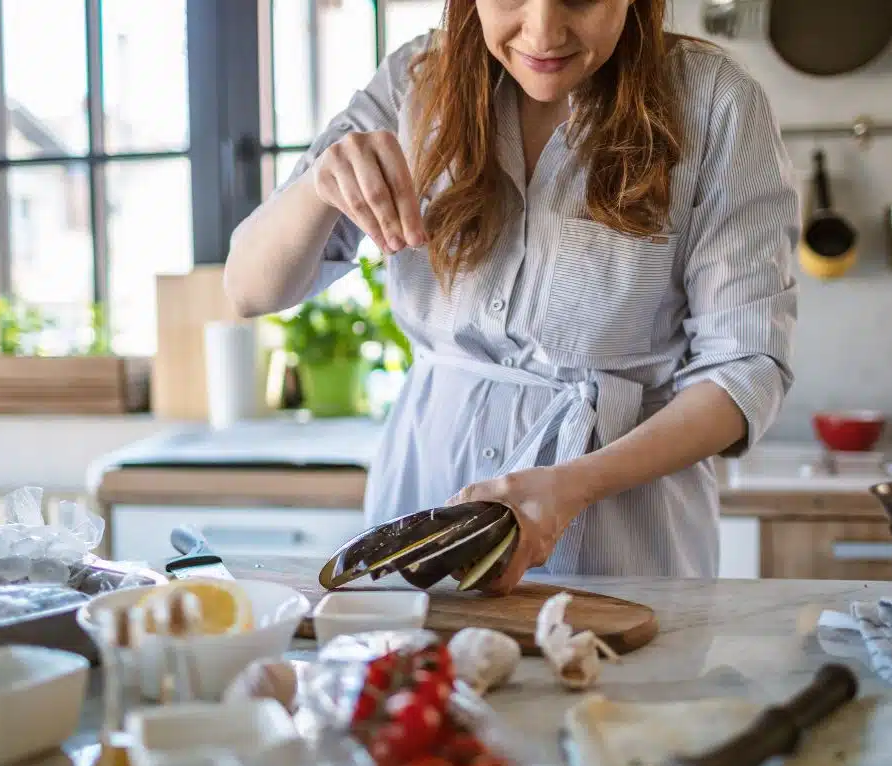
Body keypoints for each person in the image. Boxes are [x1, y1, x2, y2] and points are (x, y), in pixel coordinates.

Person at [225, 0, 799, 594]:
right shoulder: (412, 83)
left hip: (622, 542)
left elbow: (745, 368)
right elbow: (248, 288)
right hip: (422, 493)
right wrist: (321, 183)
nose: (543, 32)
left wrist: (576, 485)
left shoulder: (716, 102)